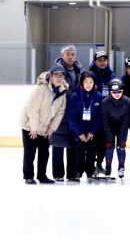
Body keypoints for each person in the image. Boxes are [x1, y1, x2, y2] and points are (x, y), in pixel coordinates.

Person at [20, 64, 68, 184]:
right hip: (30, 125)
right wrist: (34, 129)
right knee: (30, 151)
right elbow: (33, 109)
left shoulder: (62, 91)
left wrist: (51, 129)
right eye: (56, 75)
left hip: (45, 127)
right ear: (51, 75)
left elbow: (60, 112)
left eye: (62, 76)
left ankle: (42, 176)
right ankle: (28, 176)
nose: (59, 78)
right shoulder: (40, 89)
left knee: (44, 152)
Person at [50, 45, 82, 182]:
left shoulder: (80, 70)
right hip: (59, 112)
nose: (71, 57)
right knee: (58, 143)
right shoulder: (56, 71)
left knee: (73, 144)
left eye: (73, 54)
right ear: (62, 56)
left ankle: (72, 173)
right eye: (68, 54)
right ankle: (58, 174)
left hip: (75, 112)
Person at [67, 71, 103, 181]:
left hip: (92, 130)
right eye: (85, 81)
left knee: (92, 150)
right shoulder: (75, 96)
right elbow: (71, 116)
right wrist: (80, 133)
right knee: (80, 150)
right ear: (81, 83)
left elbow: (99, 116)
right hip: (78, 130)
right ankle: (78, 171)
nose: (88, 84)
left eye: (91, 82)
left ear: (94, 83)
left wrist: (92, 132)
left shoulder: (98, 96)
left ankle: (90, 172)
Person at [90, 51, 116, 176]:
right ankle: (91, 165)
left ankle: (99, 164)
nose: (102, 62)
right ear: (95, 61)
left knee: (104, 141)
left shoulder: (111, 74)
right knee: (94, 140)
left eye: (104, 60)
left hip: (107, 114)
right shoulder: (90, 74)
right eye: (99, 60)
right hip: (94, 113)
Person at [101, 78, 130, 179]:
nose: (117, 94)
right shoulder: (105, 102)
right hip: (109, 127)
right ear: (110, 92)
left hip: (122, 127)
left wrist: (122, 135)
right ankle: (108, 168)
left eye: (119, 91)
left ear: (123, 91)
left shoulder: (128, 101)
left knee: (121, 147)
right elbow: (104, 120)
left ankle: (121, 167)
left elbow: (127, 120)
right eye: (114, 92)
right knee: (109, 147)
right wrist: (109, 135)